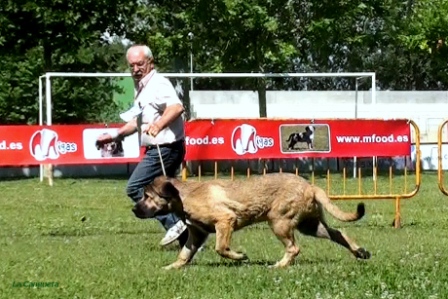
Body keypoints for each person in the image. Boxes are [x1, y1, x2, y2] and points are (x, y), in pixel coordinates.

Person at [95, 44, 188, 247]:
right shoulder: (142, 88)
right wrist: (115, 136)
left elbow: (176, 107)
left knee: (136, 187)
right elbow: (137, 123)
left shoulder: (158, 84)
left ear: (150, 63)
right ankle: (188, 238)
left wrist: (159, 124)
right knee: (170, 193)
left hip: (165, 149)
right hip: (163, 148)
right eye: (132, 66)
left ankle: (174, 224)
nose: (136, 69)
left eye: (140, 64)